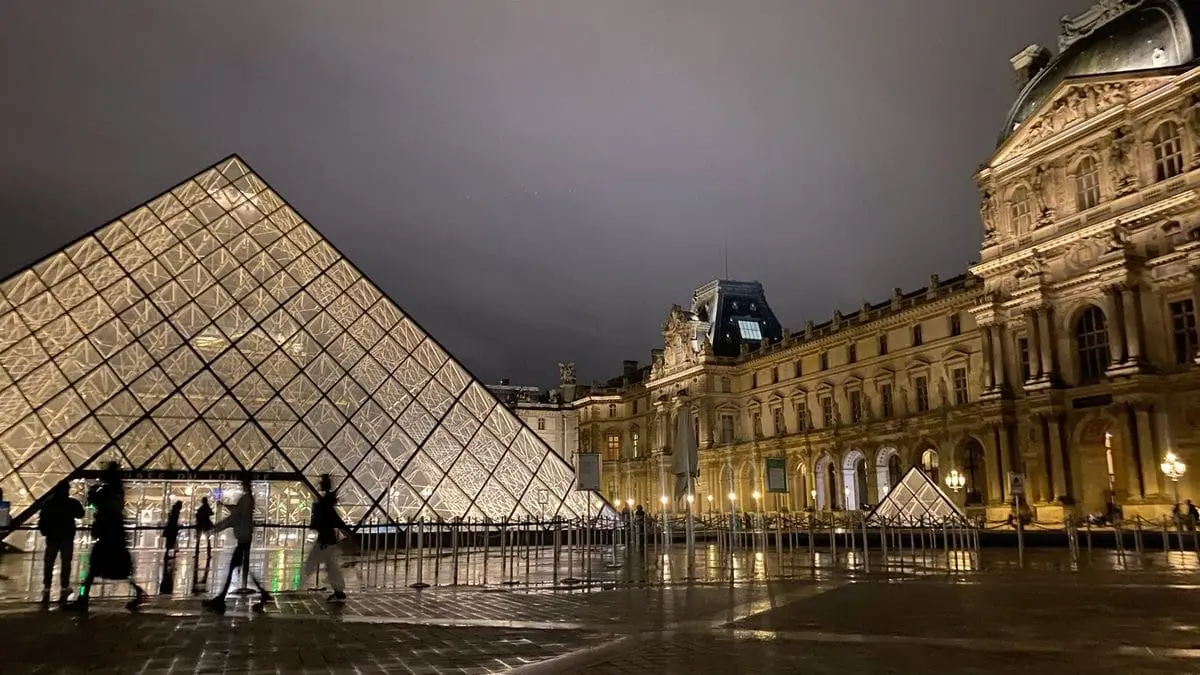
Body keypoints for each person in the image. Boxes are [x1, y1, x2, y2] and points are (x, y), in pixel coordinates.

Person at [67, 463, 147, 612]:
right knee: (117, 571)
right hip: (114, 536)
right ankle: (138, 593)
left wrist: (95, 498)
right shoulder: (116, 490)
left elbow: (104, 507)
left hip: (108, 536)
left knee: (95, 569)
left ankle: (83, 599)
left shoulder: (109, 491)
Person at [204, 476, 271, 613]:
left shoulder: (246, 499)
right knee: (242, 567)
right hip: (245, 537)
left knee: (233, 567)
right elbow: (237, 513)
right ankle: (262, 593)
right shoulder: (249, 499)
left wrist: (216, 527)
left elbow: (235, 516)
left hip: (243, 539)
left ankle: (221, 599)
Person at [300, 474, 347, 602]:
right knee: (331, 565)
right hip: (328, 538)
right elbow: (337, 521)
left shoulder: (322, 504)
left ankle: (299, 586)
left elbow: (328, 520)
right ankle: (339, 590)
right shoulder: (327, 502)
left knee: (311, 564)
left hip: (324, 540)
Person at [38, 481, 84, 606]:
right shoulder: (71, 503)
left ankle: (47, 586)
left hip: (52, 536)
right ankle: (64, 586)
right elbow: (81, 514)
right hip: (67, 536)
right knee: (66, 561)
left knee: (49, 562)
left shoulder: (48, 503)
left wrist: (45, 531)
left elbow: (42, 519)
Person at [159, 501, 183, 594]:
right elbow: (173, 522)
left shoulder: (173, 512)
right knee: (170, 543)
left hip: (171, 530)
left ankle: (168, 553)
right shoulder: (175, 513)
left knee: (169, 543)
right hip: (172, 530)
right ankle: (168, 553)